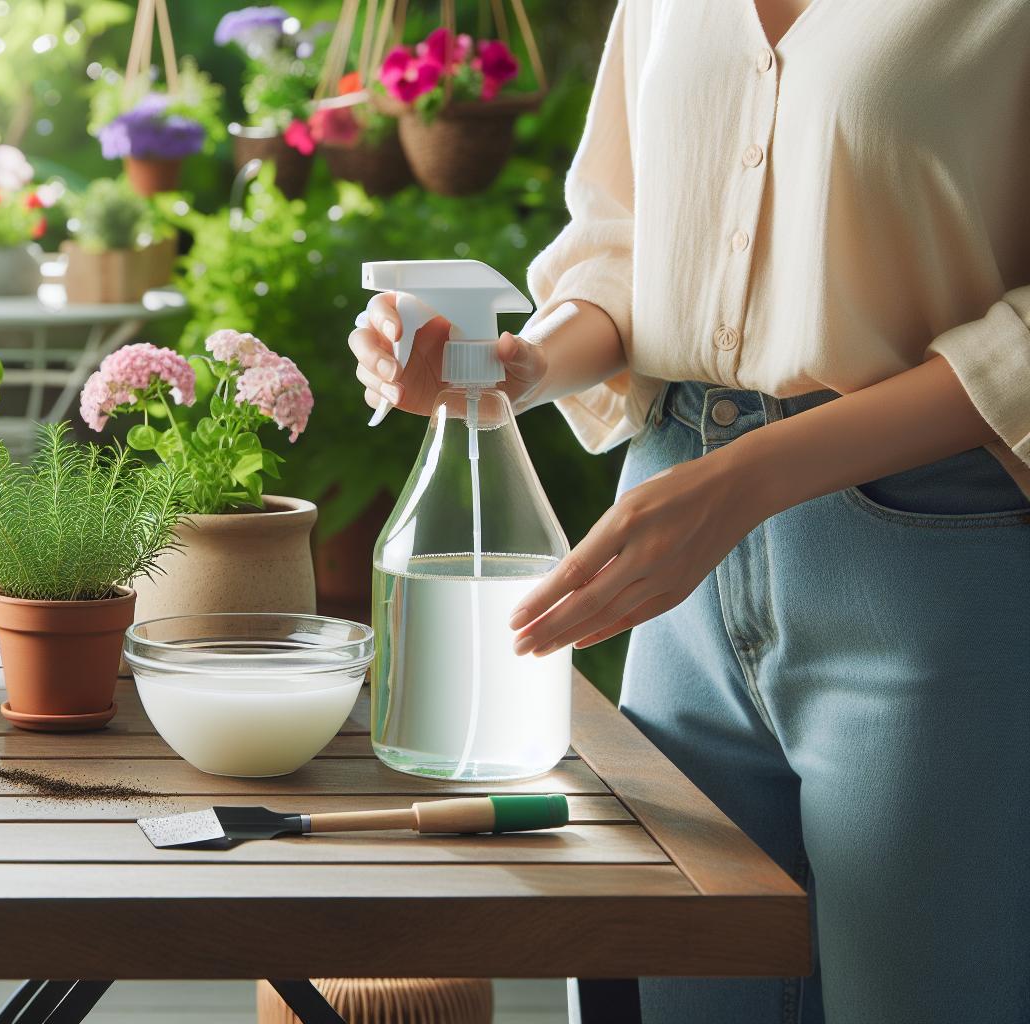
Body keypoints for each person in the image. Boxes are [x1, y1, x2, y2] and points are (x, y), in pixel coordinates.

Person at [348, 1, 1030, 1021]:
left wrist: (748, 478)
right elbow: (626, 235)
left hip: (924, 564)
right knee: (675, 989)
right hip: (673, 546)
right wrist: (518, 363)